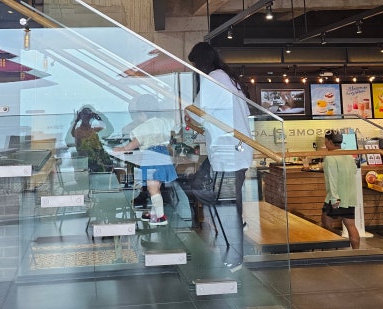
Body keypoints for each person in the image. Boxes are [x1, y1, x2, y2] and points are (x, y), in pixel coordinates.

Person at [185, 42, 253, 226]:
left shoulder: (215, 78)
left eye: (194, 64)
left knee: (224, 194)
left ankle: (233, 228)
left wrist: (187, 112)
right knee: (225, 193)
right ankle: (230, 226)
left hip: (229, 149)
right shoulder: (227, 78)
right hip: (234, 147)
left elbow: (197, 111)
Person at [113, 94, 177, 226]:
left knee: (152, 187)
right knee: (156, 187)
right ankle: (154, 213)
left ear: (142, 113)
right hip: (163, 155)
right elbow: (175, 126)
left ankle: (161, 217)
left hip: (151, 157)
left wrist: (123, 148)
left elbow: (136, 142)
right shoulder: (163, 122)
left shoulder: (145, 127)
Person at [321, 130, 360, 249]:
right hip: (349, 198)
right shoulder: (348, 156)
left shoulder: (330, 158)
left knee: (326, 225)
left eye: (325, 141)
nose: (325, 143)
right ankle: (357, 252)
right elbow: (354, 171)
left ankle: (332, 250)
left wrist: (334, 199)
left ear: (329, 142)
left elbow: (332, 179)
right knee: (351, 226)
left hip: (335, 198)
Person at [66, 104, 114, 172]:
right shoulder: (77, 132)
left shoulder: (95, 131)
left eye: (89, 114)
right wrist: (75, 121)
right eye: (84, 113)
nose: (86, 117)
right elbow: (68, 139)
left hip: (100, 166)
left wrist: (101, 117)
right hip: (86, 167)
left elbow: (110, 130)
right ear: (80, 116)